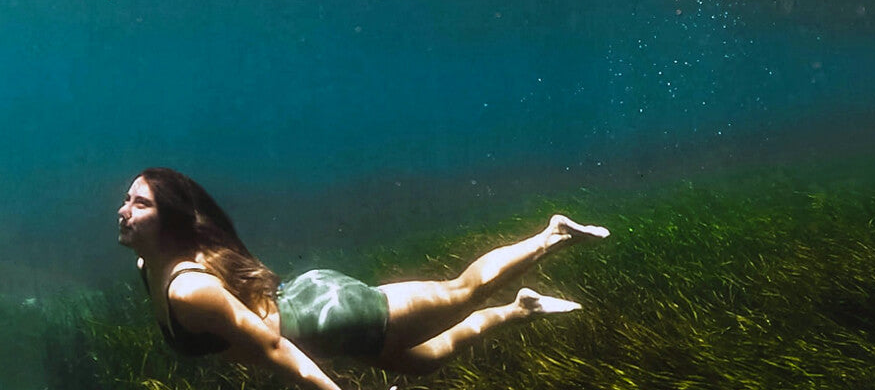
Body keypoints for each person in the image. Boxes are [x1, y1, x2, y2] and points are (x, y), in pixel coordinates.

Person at [116, 167, 610, 389]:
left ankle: (553, 235)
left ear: (170, 221)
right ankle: (520, 308)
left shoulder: (188, 289)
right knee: (425, 362)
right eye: (128, 199)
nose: (123, 211)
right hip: (314, 309)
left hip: (336, 316)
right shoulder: (149, 267)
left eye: (141, 204)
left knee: (461, 292)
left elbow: (270, 348)